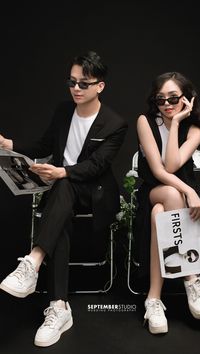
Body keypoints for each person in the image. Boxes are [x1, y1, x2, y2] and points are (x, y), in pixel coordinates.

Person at [0, 50, 128, 347]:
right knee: (61, 208)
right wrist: (10, 143)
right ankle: (59, 308)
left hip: (94, 194)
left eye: (84, 83)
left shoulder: (115, 123)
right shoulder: (63, 110)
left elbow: (96, 166)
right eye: (72, 82)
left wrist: (61, 172)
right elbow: (44, 144)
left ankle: (32, 262)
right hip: (64, 192)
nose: (76, 89)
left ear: (100, 86)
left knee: (64, 185)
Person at [134, 71, 200, 335]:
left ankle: (153, 299)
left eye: (173, 98)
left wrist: (177, 123)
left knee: (160, 214)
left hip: (178, 200)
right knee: (167, 197)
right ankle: (191, 277)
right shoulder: (146, 122)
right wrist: (189, 191)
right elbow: (161, 169)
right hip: (155, 190)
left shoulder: (195, 129)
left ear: (187, 100)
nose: (167, 104)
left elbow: (175, 164)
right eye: (160, 99)